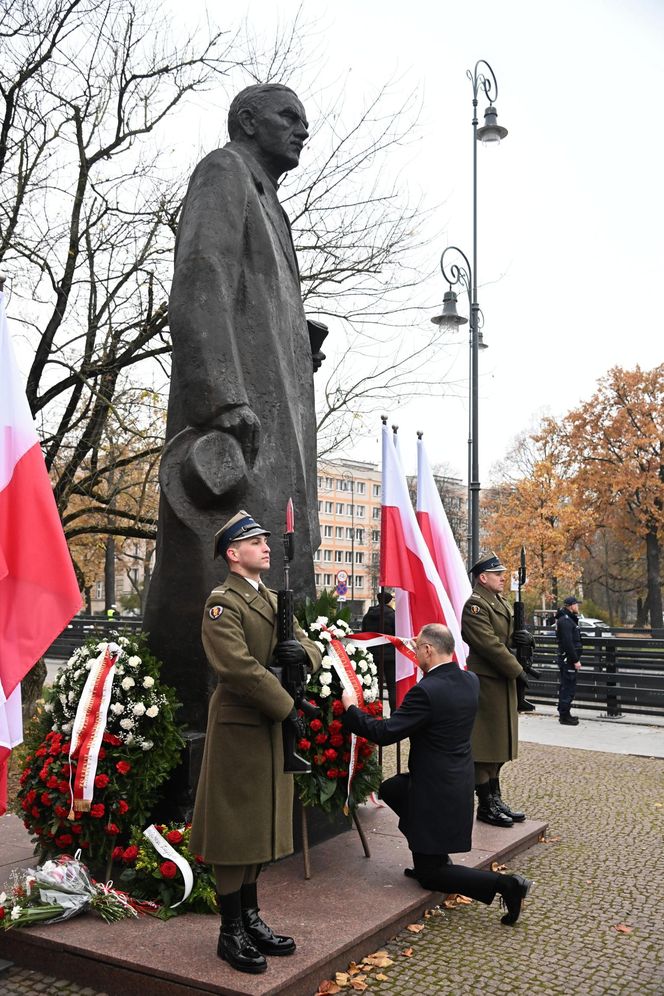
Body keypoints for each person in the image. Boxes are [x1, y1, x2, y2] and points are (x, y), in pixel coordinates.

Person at [144, 83, 321, 731]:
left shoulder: (273, 207)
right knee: (211, 564)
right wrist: (220, 396)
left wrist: (301, 347)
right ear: (248, 121)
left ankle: (268, 716)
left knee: (275, 561)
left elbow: (255, 309)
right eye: (289, 118)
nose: (303, 130)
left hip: (273, 426)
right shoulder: (223, 172)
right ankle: (192, 716)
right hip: (234, 428)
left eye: (305, 121)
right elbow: (200, 276)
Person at [190, 509, 322, 974]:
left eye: (266, 541)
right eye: (255, 542)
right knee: (235, 832)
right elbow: (238, 669)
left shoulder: (269, 597)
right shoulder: (221, 604)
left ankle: (250, 917)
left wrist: (299, 655)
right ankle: (230, 932)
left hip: (268, 729)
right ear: (233, 553)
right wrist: (288, 706)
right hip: (243, 728)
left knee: (261, 826)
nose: (266, 547)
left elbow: (310, 645)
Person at [340, 623, 533, 926]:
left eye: (417, 648)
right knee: (391, 788)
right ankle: (427, 846)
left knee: (432, 876)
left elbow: (385, 733)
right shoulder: (469, 680)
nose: (415, 653)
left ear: (428, 650)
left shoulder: (426, 691)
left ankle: (506, 886)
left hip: (433, 791)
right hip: (456, 780)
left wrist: (351, 709)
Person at [461, 552, 531, 828]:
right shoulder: (475, 606)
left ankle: (496, 797)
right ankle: (486, 804)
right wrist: (518, 670)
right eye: (497, 573)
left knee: (500, 743)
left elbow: (507, 636)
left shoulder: (498, 601)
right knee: (484, 745)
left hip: (501, 680)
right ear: (482, 577)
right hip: (488, 680)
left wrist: (523, 639)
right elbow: (489, 644)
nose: (503, 577)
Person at [362, 590, 397, 712]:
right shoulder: (393, 615)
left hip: (372, 656)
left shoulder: (368, 615)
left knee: (372, 686)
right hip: (390, 657)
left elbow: (363, 633)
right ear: (388, 601)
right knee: (393, 687)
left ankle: (374, 712)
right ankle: (394, 713)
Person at [555, 596, 583, 725]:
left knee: (566, 686)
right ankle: (564, 716)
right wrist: (575, 660)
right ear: (571, 606)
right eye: (577, 604)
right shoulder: (566, 621)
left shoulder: (566, 619)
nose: (578, 607)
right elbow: (568, 643)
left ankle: (565, 713)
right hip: (568, 660)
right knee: (568, 688)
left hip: (567, 659)